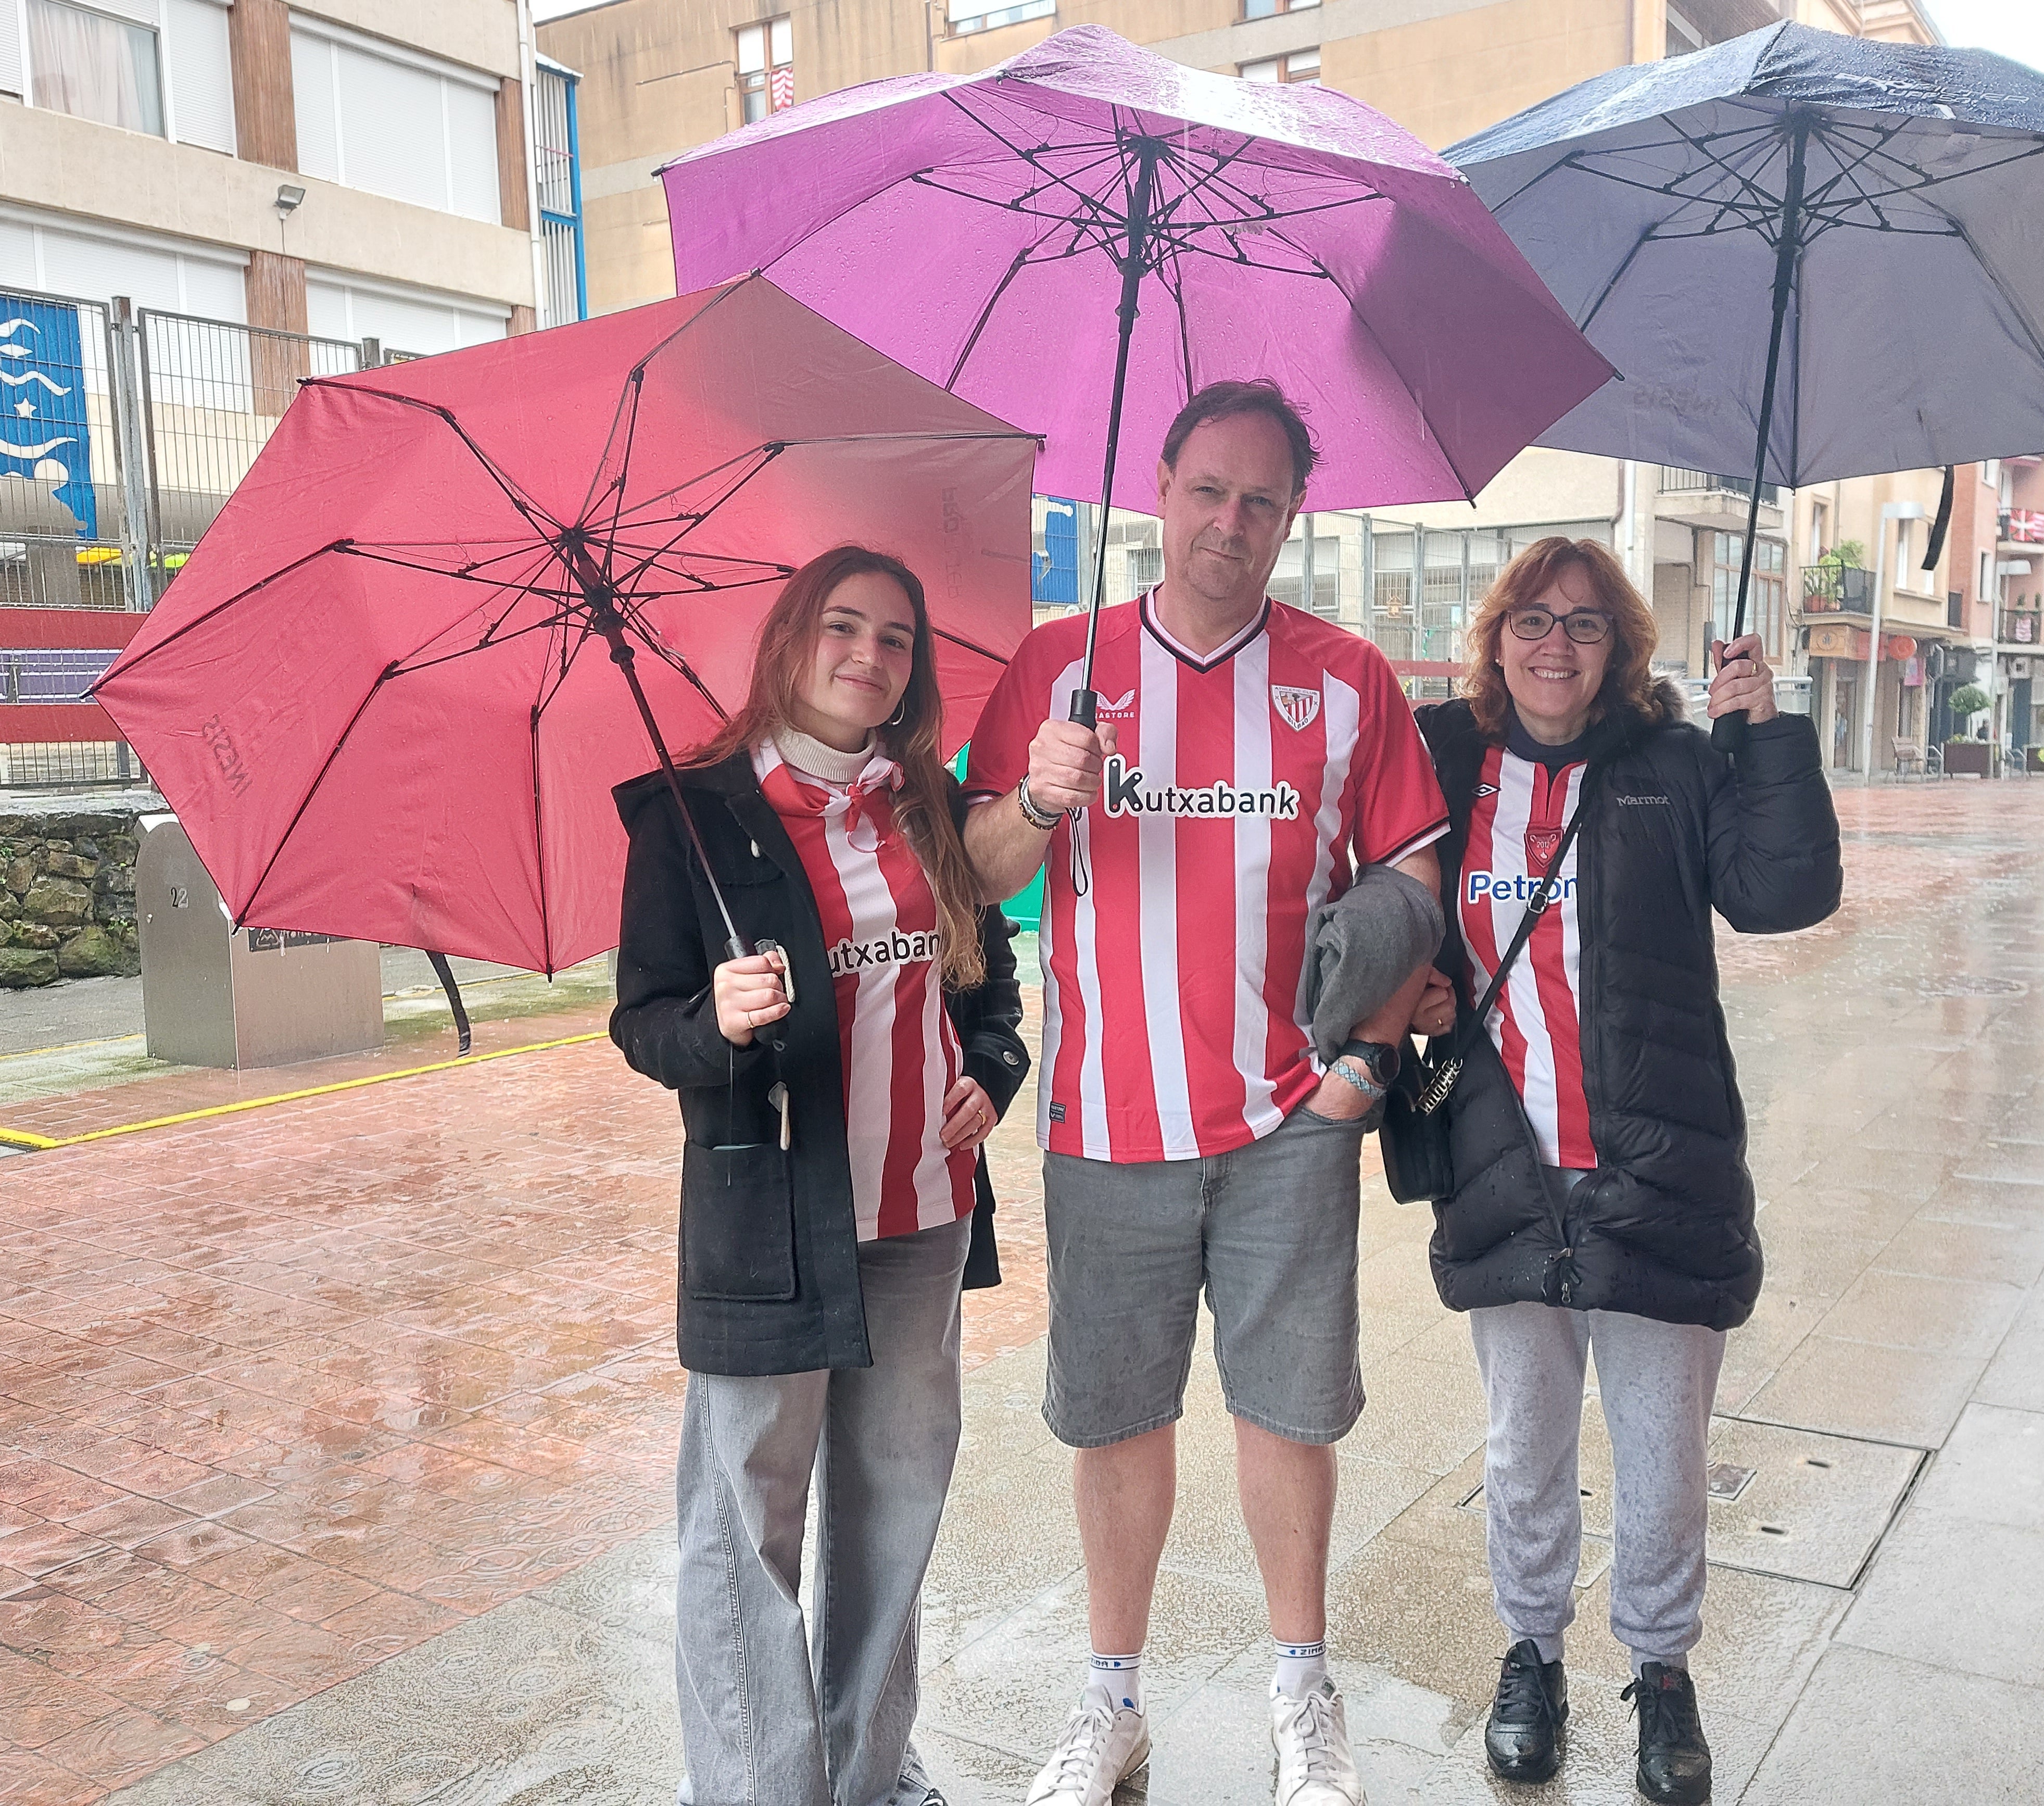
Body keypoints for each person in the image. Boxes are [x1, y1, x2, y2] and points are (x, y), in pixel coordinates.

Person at [961, 380, 1447, 1806]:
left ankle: (1305, 1692)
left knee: (1290, 1413)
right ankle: (1111, 1701)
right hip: (1109, 1125)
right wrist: (1038, 799)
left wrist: (1361, 1062)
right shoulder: (1062, 664)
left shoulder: (1346, 677)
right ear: (1159, 487)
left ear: (1291, 516)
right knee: (1116, 1418)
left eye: (1263, 501)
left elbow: (1413, 874)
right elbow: (975, 877)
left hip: (1294, 1122)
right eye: (1208, 489)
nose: (1231, 522)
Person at [1404, 538, 1841, 1803]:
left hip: (1658, 1160)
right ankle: (1530, 1652)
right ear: (1494, 637)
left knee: (1661, 1448)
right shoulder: (1448, 761)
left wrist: (1763, 739)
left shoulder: (1672, 765)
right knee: (1522, 1439)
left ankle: (1659, 1670)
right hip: (1502, 1162)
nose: (1555, 645)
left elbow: (1781, 894)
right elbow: (1375, 888)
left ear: (1621, 649)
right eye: (1532, 621)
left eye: (1585, 625)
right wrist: (1411, 985)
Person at [613, 545, 1029, 1806]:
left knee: (893, 1507)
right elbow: (645, 1021)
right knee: (746, 1518)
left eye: (896, 637)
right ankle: (757, 1785)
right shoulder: (691, 812)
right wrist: (717, 1018)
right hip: (769, 1221)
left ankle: (865, 1772)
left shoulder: (926, 807)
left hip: (921, 1213)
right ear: (790, 639)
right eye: (842, 627)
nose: (868, 654)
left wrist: (994, 1073)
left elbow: (990, 986)